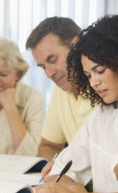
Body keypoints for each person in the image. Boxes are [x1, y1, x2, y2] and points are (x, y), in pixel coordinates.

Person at [35, 14, 118, 193]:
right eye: (88, 75)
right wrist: (66, 184)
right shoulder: (101, 117)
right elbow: (60, 169)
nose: (94, 82)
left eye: (100, 71)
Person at [26, 17, 94, 176]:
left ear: (76, 45)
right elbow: (47, 145)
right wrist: (60, 165)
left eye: (52, 60)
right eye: (43, 67)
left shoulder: (106, 88)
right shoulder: (61, 88)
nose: (49, 74)